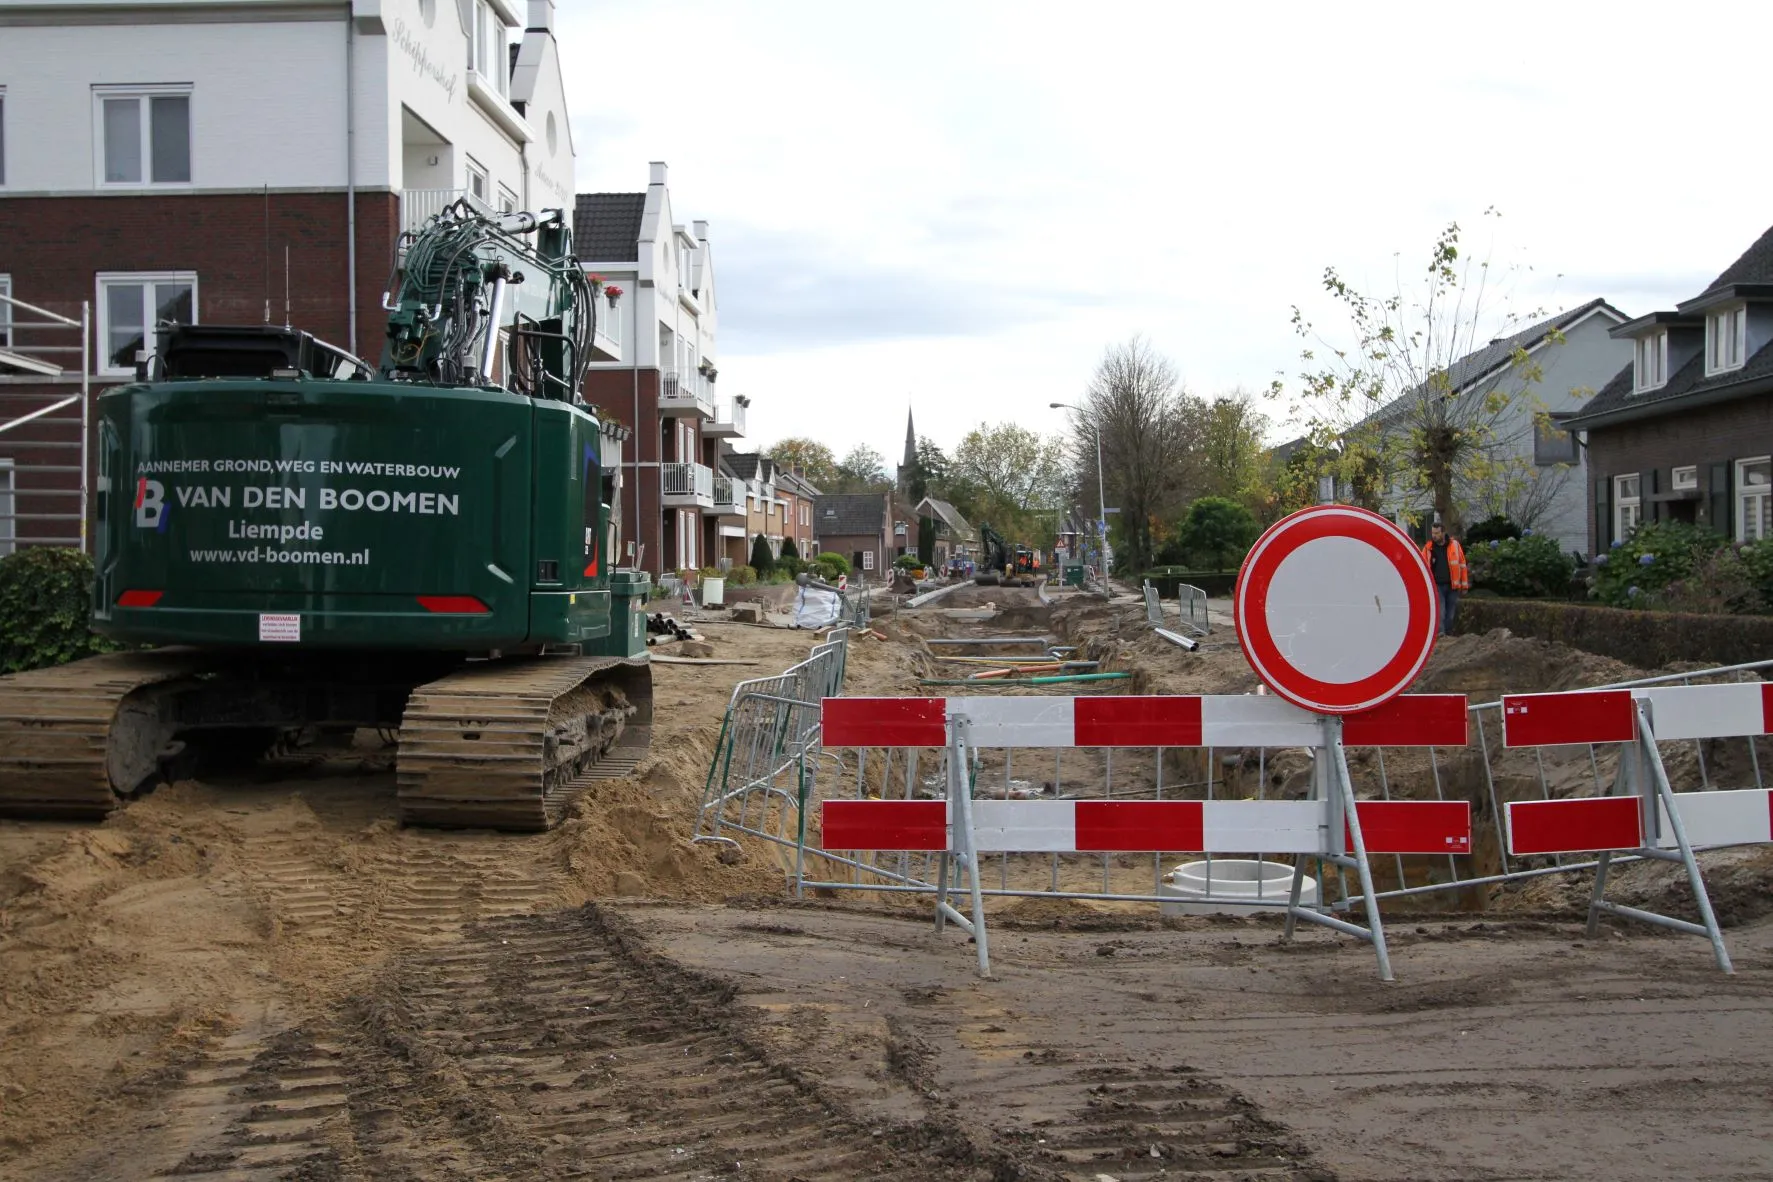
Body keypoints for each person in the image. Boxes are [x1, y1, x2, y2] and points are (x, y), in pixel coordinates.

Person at [1420, 521, 1468, 636]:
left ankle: (1448, 634)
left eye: (1437, 533)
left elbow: (1462, 565)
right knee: (1440, 612)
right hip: (1437, 586)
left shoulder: (1455, 545)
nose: (1434, 536)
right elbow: (1422, 566)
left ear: (1443, 533)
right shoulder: (1428, 548)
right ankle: (1441, 635)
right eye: (1433, 533)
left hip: (1453, 586)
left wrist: (1464, 585)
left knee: (1450, 614)